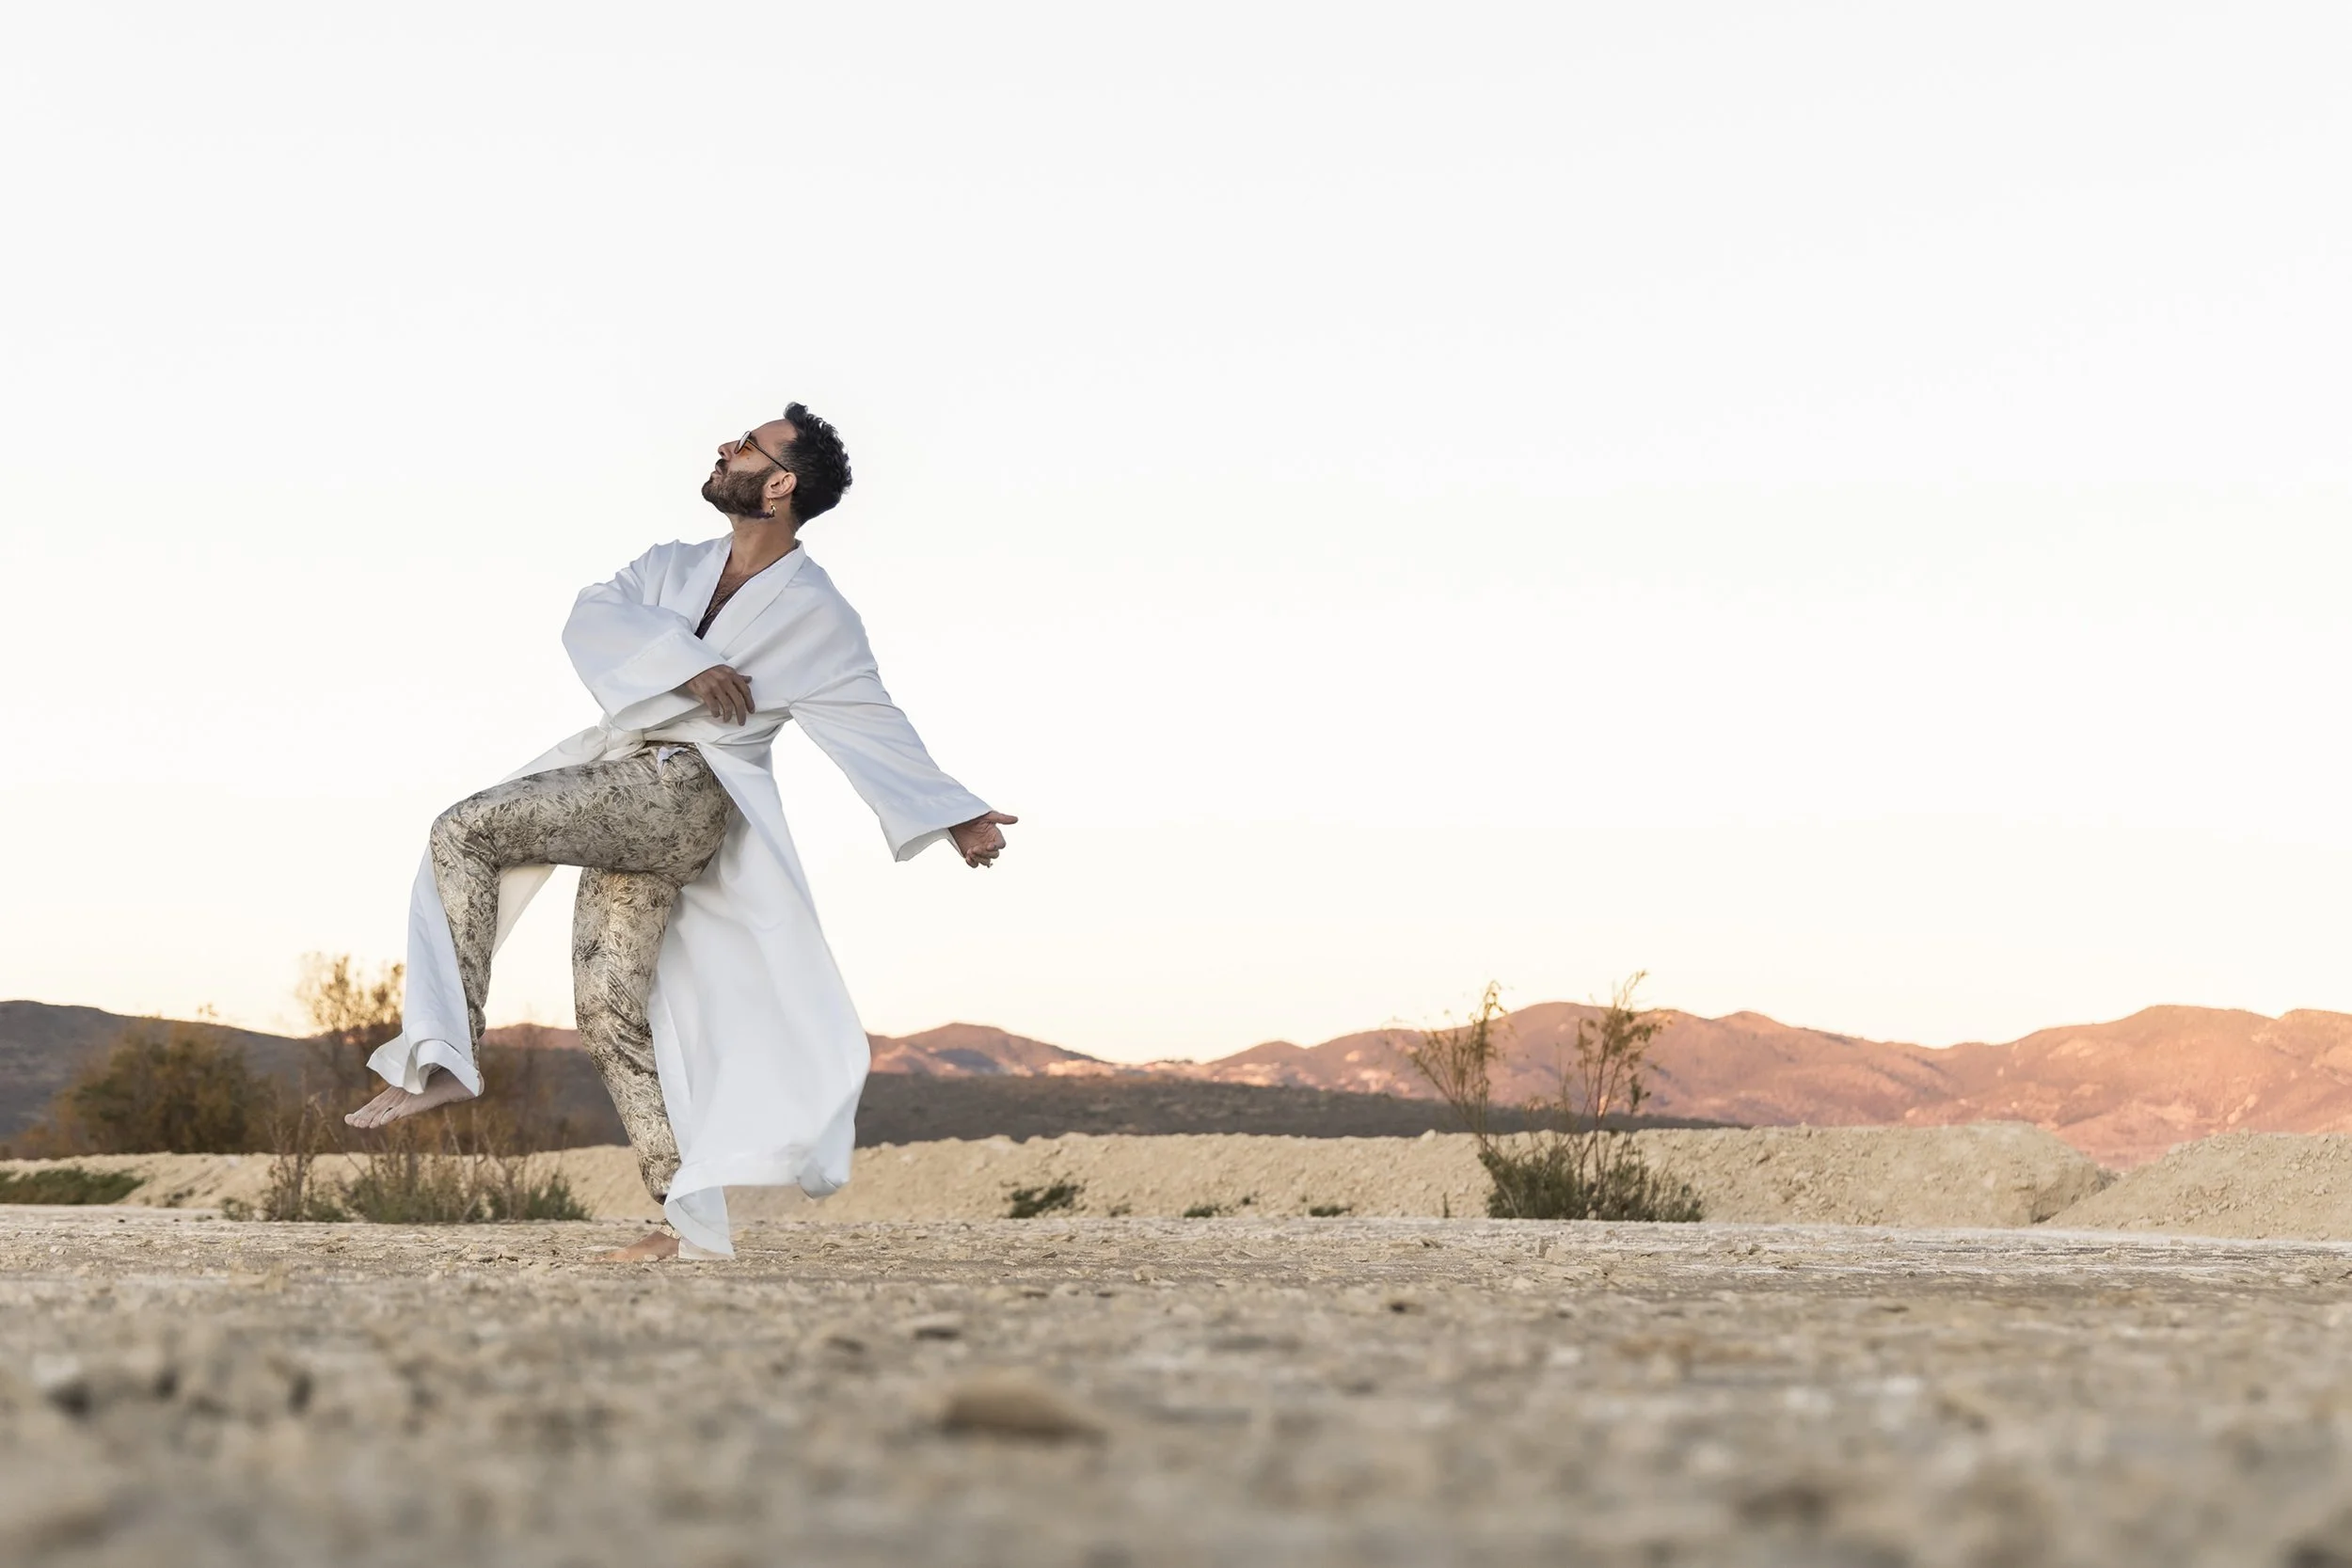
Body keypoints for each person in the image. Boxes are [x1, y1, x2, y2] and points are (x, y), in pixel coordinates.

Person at [344, 404, 1014, 1261]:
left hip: (686, 794)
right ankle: (684, 1223)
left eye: (748, 444)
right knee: (611, 1011)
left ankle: (445, 1054)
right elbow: (592, 613)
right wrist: (688, 663)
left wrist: (954, 813)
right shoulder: (671, 567)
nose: (725, 447)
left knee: (466, 827)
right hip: (629, 786)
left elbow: (870, 716)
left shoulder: (816, 612)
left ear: (781, 483)